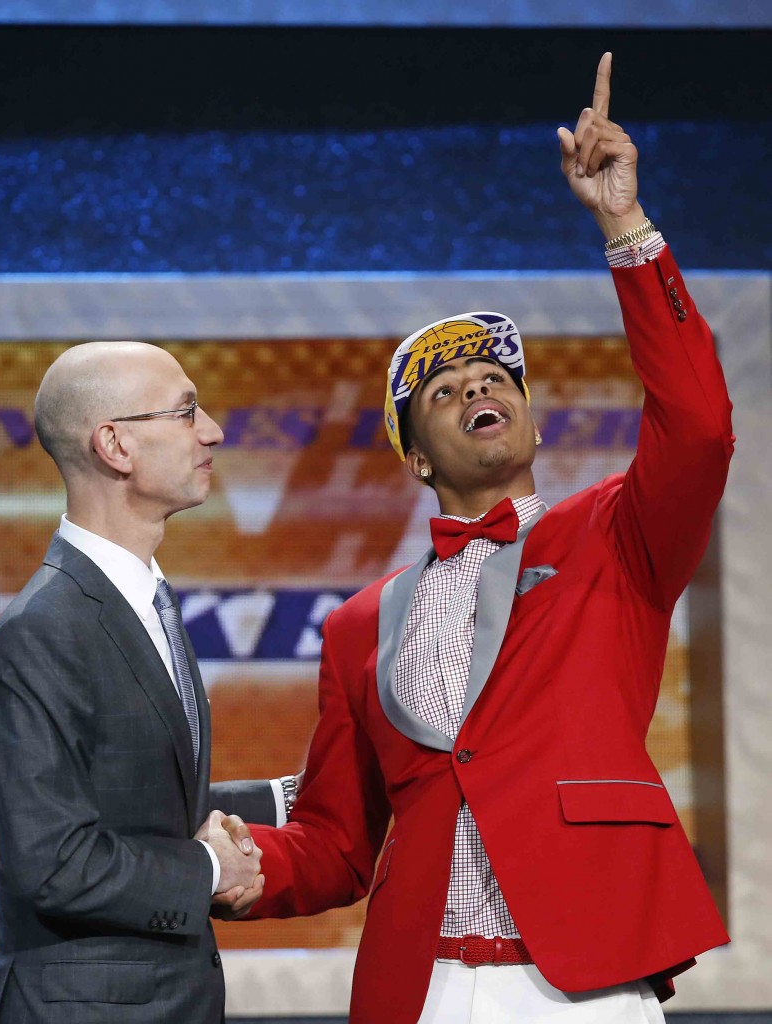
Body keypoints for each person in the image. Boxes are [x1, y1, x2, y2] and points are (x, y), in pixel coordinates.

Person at [239, 53, 734, 1023]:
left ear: (533, 423)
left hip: (582, 984)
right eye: (444, 390)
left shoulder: (616, 536)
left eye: (495, 378)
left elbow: (703, 424)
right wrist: (223, 862)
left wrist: (623, 227)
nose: (476, 388)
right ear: (416, 458)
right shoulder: (356, 627)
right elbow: (338, 841)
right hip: (418, 986)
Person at [0, 341, 295, 1022]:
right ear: (115, 446)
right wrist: (211, 871)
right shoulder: (44, 626)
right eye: (184, 412)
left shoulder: (140, 598)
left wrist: (292, 798)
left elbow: (131, 803)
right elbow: (54, 862)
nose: (211, 430)